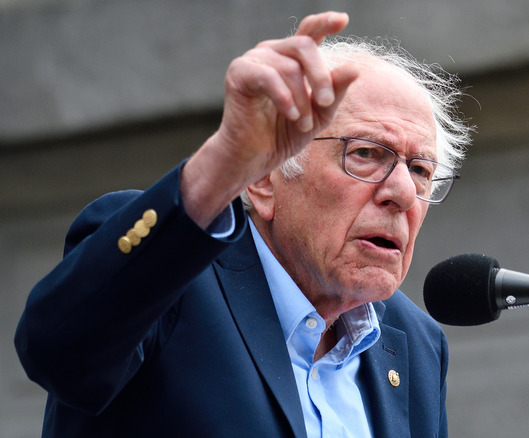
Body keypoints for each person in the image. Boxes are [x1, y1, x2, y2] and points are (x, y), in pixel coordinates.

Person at [15, 10, 472, 438]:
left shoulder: (415, 343)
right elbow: (57, 352)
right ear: (265, 182)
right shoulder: (171, 275)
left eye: (420, 170)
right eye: (366, 155)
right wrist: (224, 161)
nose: (403, 193)